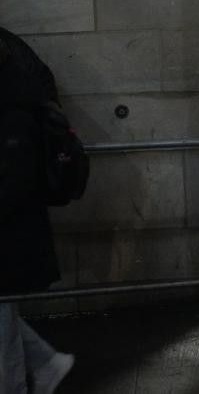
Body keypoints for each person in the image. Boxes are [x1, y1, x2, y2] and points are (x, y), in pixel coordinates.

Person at [0, 27, 75, 394]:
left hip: (9, 225)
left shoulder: (11, 108)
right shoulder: (16, 70)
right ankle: (44, 362)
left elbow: (12, 180)